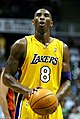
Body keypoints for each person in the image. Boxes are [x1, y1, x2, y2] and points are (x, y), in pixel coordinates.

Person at [3, 8, 71, 119]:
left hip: (53, 106)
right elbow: (6, 77)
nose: (42, 17)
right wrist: (27, 91)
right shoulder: (21, 45)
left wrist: (56, 98)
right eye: (38, 15)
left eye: (46, 15)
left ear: (51, 23)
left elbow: (67, 81)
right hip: (28, 105)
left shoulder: (62, 48)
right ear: (33, 21)